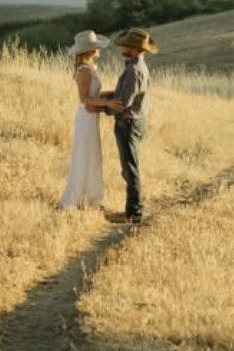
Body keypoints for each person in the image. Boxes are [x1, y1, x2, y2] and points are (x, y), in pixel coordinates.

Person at [58, 30, 121, 210]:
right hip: (86, 117)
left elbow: (93, 94)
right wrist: (107, 102)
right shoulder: (84, 70)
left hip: (92, 117)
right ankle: (77, 196)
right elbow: (84, 98)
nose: (99, 49)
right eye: (96, 47)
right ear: (91, 50)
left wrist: (109, 94)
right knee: (84, 153)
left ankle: (90, 197)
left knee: (92, 153)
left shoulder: (90, 67)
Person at [103, 27, 159, 224]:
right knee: (129, 167)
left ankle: (134, 214)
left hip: (128, 122)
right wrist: (107, 96)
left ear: (135, 49)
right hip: (135, 120)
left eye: (126, 45)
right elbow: (123, 95)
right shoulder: (136, 67)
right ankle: (131, 211)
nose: (123, 48)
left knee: (130, 169)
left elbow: (123, 103)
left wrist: (102, 107)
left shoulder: (133, 71)